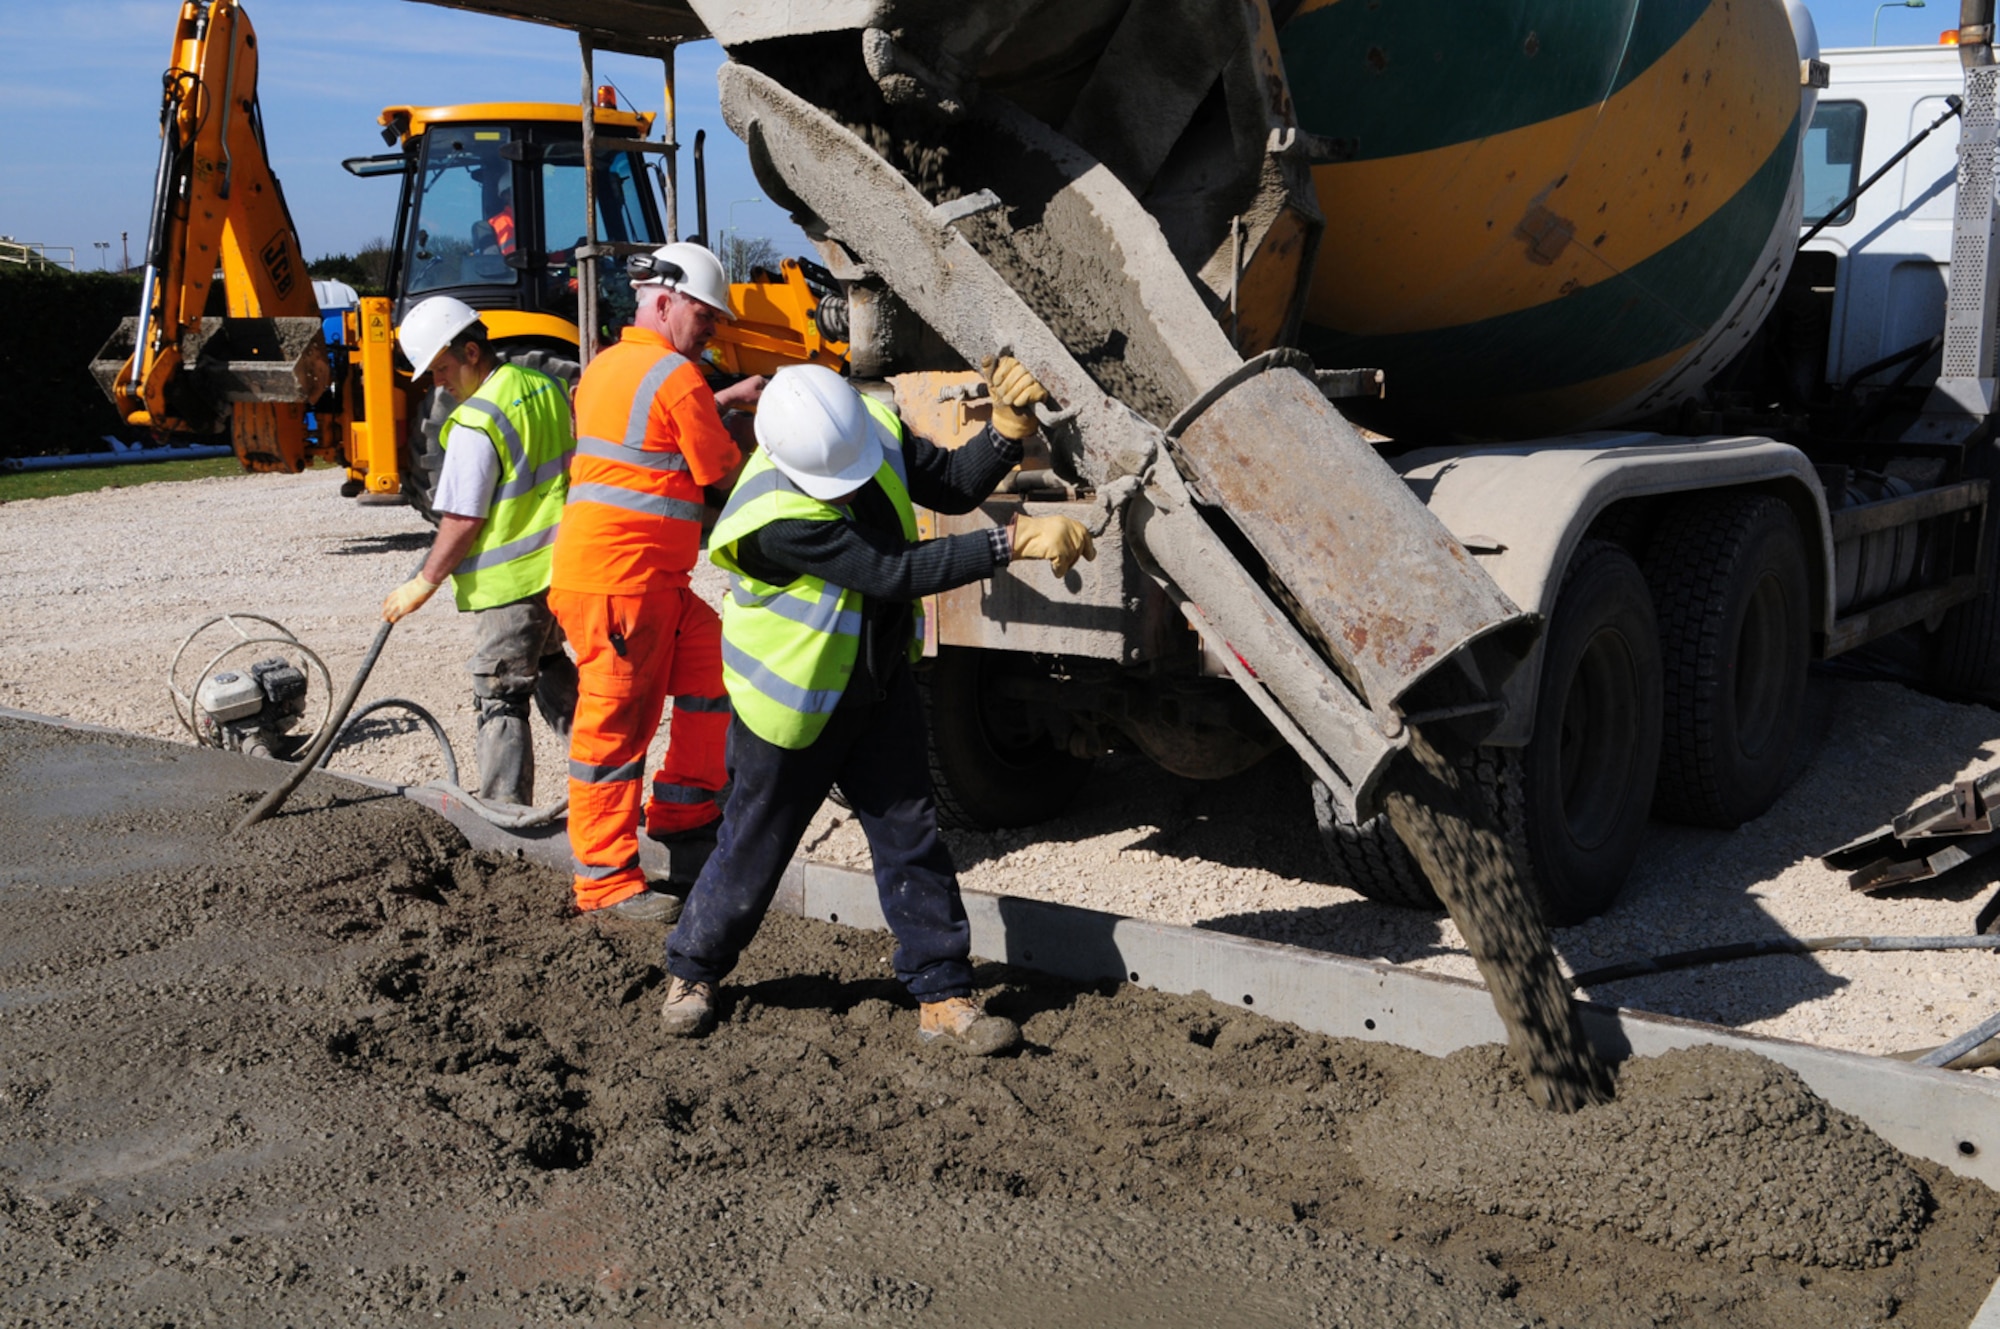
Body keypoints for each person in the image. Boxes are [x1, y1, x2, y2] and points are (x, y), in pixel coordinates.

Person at [659, 358, 1096, 1055]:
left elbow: (951, 485)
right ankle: (693, 969)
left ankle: (942, 991)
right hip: (793, 706)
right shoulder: (773, 514)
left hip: (875, 685)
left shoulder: (868, 428)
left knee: (910, 836)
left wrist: (1007, 435)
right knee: (752, 846)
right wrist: (1007, 542)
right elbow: (893, 569)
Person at [546, 242, 767, 923]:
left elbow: (656, 434)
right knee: (614, 731)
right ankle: (606, 880)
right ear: (665, 302)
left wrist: (718, 394)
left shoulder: (610, 368)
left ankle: (681, 808)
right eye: (704, 317)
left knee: (713, 664)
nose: (710, 332)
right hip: (624, 584)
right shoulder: (674, 376)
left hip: (639, 580)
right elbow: (718, 466)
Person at [382, 295, 578, 806]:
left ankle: (502, 814)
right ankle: (604, 777)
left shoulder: (475, 424)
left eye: (442, 368)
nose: (437, 383)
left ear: (471, 353)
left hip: (510, 584)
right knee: (552, 665)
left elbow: (463, 519)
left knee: (501, 694)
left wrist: (424, 582)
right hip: (561, 567)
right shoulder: (543, 385)